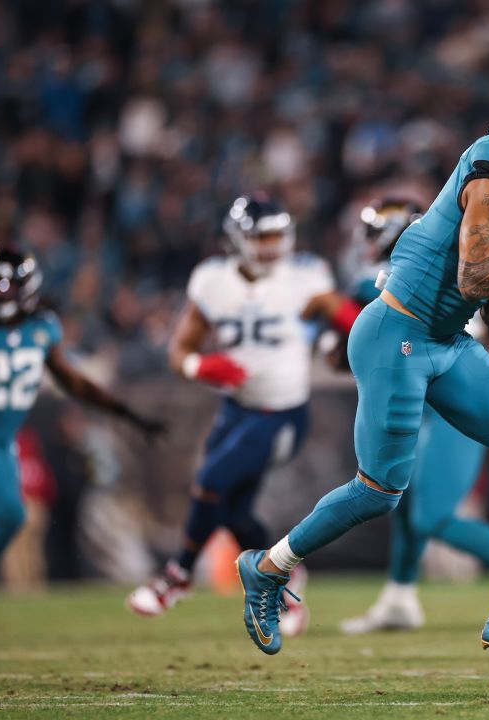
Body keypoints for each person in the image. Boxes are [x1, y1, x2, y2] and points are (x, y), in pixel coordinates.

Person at [233, 69, 489, 670]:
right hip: (397, 334)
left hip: (446, 339)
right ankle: (267, 567)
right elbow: (474, 278)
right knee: (379, 492)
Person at [0, 245, 165, 643]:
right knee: (11, 517)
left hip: (3, 440)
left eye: (6, 285)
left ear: (26, 289)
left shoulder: (42, 328)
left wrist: (125, 413)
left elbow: (75, 383)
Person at [127, 194, 337, 641]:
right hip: (236, 409)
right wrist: (198, 367)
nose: (272, 246)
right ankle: (285, 581)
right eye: (262, 237)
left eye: (278, 236)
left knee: (210, 483)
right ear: (238, 240)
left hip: (282, 413)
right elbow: (179, 350)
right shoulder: (211, 281)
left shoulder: (305, 277)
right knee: (232, 510)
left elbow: (347, 317)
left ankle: (178, 574)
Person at [329, 198, 489, 635]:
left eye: (376, 235)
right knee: (404, 507)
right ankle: (399, 599)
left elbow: (365, 301)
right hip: (430, 405)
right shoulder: (421, 273)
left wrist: (332, 316)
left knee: (430, 516)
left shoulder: (409, 276)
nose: (367, 245)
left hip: (452, 408)